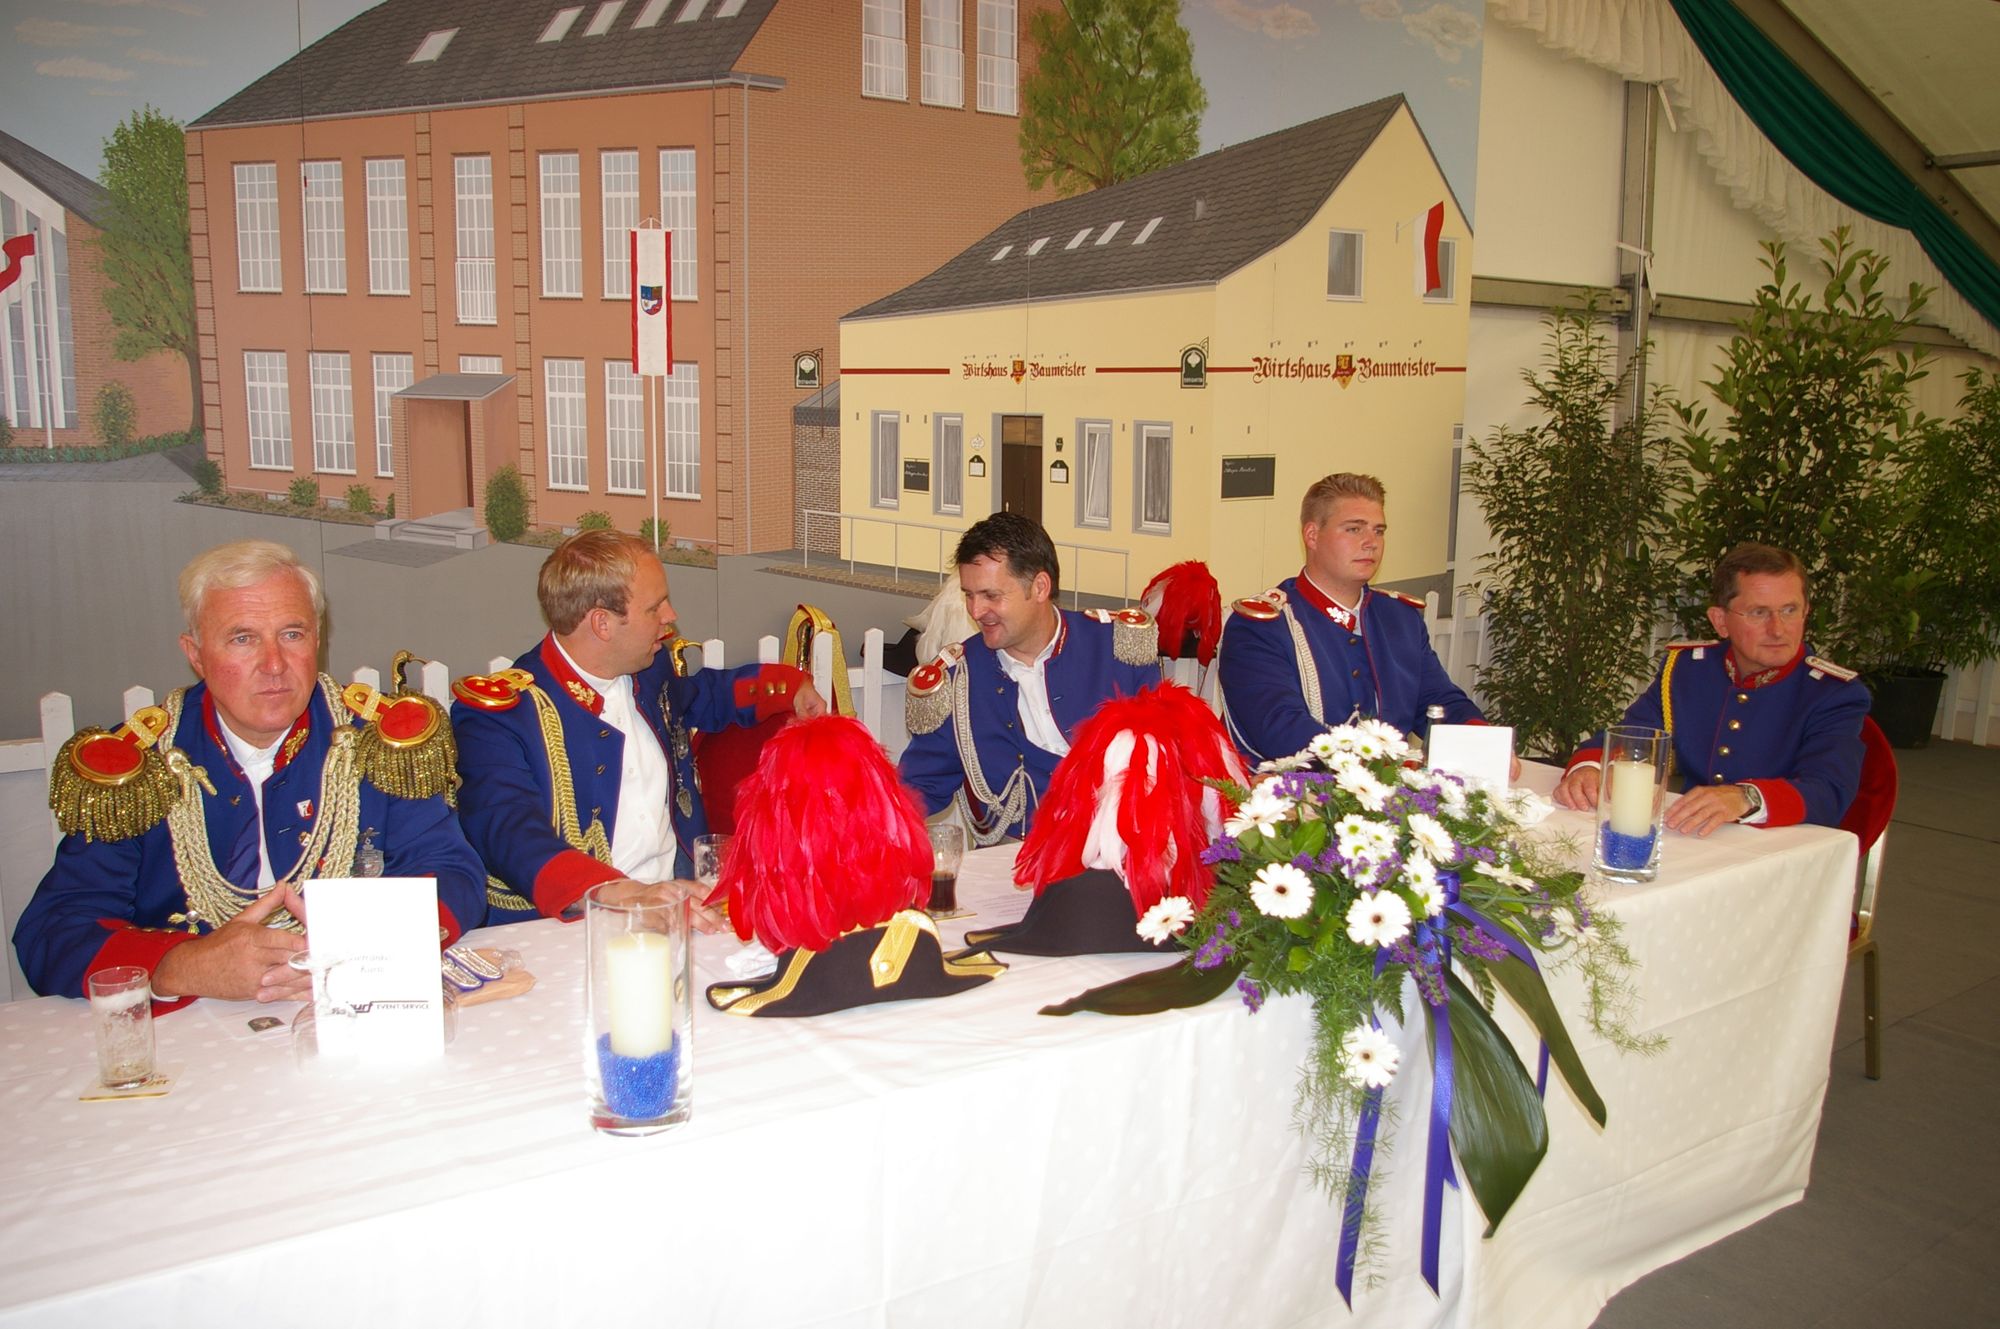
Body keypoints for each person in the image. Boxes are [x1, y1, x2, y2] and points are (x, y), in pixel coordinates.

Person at [12, 540, 488, 1007]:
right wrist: (185, 965)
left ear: (317, 641)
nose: (274, 664)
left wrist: (365, 941)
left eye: (292, 634)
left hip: (354, 1001)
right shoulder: (137, 771)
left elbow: (452, 874)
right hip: (192, 1023)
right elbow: (55, 929)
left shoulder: (379, 743)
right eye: (243, 639)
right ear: (196, 654)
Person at [451, 531, 825, 925]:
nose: (670, 616)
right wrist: (618, 893)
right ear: (603, 624)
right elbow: (506, 828)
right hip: (572, 924)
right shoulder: (500, 715)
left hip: (681, 901)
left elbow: (698, 697)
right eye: (654, 607)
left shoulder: (648, 670)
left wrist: (787, 687)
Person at [1553, 542, 1868, 834]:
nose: (1778, 629)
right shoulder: (1689, 670)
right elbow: (1635, 736)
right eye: (1759, 613)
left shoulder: (1833, 693)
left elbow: (1829, 790)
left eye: (1789, 610)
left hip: (1778, 848)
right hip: (1693, 835)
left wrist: (1745, 797)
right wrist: (1590, 769)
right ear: (1720, 621)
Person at [898, 512, 1161, 843]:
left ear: (1039, 587)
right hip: (1011, 859)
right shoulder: (956, 679)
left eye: (991, 596)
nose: (975, 611)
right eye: (969, 594)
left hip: (1122, 850)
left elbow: (1166, 759)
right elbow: (917, 789)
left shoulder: (1118, 648)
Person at [1217, 472, 1489, 765]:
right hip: (1294, 789)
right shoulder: (1261, 625)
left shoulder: (1400, 619)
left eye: (1379, 531)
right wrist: (1382, 767)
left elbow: (1439, 701)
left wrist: (1482, 742)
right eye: (1354, 529)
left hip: (1392, 785)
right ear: (1312, 535)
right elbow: (1281, 730)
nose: (1371, 542)